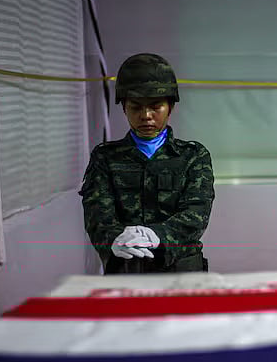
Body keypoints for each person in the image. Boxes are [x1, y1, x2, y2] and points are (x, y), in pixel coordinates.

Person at [80, 54, 214, 274]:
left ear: (170, 106)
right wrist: (114, 239)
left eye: (155, 106)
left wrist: (157, 235)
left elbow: (196, 214)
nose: (146, 116)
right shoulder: (105, 157)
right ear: (123, 107)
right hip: (126, 271)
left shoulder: (193, 156)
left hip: (181, 273)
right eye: (135, 107)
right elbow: (97, 215)